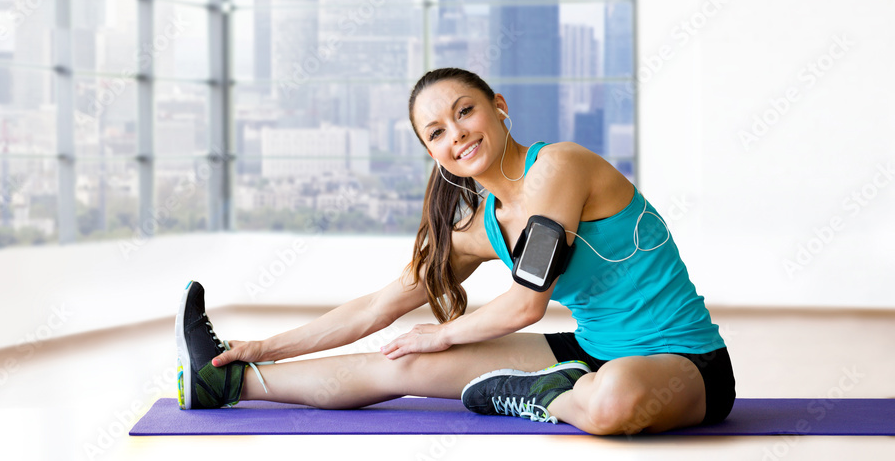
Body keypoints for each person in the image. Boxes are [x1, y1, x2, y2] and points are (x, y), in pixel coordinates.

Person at [175, 67, 735, 435]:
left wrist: (441, 333)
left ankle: (543, 394)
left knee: (614, 404)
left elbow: (525, 304)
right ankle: (225, 382)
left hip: (684, 363)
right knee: (403, 363)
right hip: (587, 351)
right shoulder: (477, 232)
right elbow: (375, 309)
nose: (457, 135)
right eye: (436, 132)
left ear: (499, 107)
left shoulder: (560, 167)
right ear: (432, 153)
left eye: (465, 112)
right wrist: (258, 347)